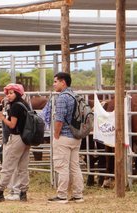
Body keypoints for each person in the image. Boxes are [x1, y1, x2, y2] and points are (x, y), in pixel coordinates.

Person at [0, 83, 30, 202]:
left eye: (11, 93)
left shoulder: (15, 107)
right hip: (26, 139)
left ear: (17, 93)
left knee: (7, 166)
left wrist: (1, 117)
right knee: (23, 167)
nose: (8, 96)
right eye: (7, 93)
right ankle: (23, 192)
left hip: (16, 138)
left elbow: (12, 124)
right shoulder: (25, 104)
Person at [48, 72, 84, 204]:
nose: (54, 84)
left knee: (62, 166)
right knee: (75, 166)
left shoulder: (62, 97)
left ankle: (62, 195)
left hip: (64, 136)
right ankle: (78, 195)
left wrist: (56, 135)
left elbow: (59, 119)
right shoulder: (74, 95)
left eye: (55, 81)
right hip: (76, 136)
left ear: (63, 82)